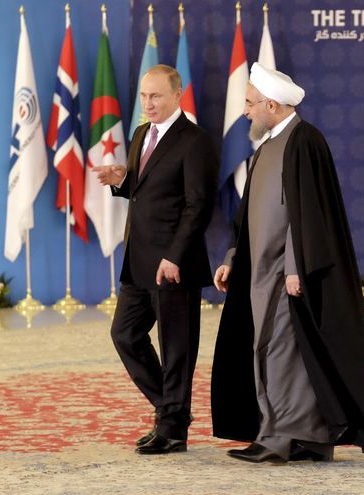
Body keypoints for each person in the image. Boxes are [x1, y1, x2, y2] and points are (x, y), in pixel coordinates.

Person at [211, 63, 364, 464]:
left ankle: (279, 438)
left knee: (276, 351)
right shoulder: (265, 149)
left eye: (250, 104)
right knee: (279, 351)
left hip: (285, 273)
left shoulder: (303, 141)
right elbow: (248, 216)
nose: (245, 112)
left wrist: (296, 267)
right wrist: (231, 258)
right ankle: (309, 436)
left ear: (272, 105)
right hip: (258, 272)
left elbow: (307, 213)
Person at [94, 64, 218, 455]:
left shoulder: (195, 141)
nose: (148, 103)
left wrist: (175, 256)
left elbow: (198, 206)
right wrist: (122, 181)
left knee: (177, 348)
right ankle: (171, 412)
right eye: (144, 96)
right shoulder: (140, 134)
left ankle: (172, 429)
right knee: (125, 335)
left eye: (156, 96)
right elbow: (146, 191)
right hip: (138, 260)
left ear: (176, 95)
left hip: (173, 265)